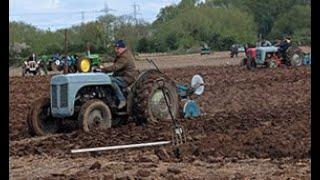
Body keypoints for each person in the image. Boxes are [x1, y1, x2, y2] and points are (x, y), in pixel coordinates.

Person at [99, 40, 138, 109]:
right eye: (115, 49)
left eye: (117, 49)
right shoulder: (122, 54)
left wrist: (103, 69)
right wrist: (102, 61)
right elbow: (113, 60)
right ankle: (110, 99)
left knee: (110, 80)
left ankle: (122, 100)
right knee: (108, 77)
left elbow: (116, 67)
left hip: (127, 78)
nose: (116, 50)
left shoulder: (125, 57)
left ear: (122, 48)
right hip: (122, 76)